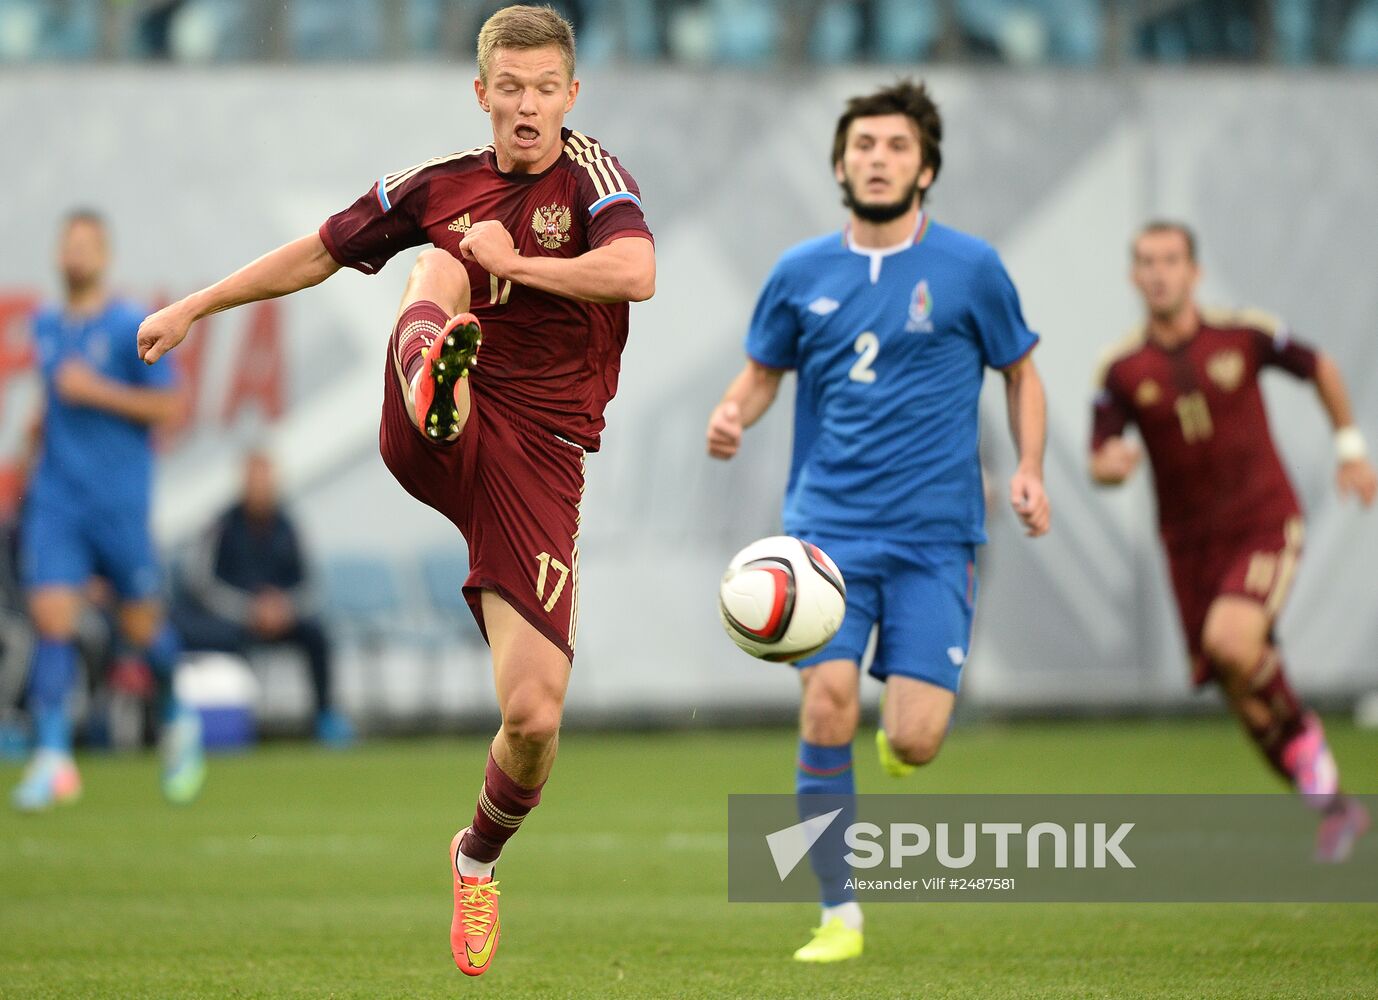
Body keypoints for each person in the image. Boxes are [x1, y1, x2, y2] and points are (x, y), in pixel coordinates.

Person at [134, 5, 654, 977]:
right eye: (511, 90)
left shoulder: (595, 177)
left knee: (534, 715)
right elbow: (321, 250)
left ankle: (475, 855)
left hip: (539, 460)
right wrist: (197, 303)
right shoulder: (440, 184)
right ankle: (434, 379)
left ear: (571, 95)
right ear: (482, 94)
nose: (529, 108)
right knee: (440, 255)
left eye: (546, 90)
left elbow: (637, 270)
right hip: (435, 427)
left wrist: (526, 264)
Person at [705, 79, 1051, 963]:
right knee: (825, 705)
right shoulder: (799, 273)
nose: (878, 158)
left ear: (926, 167)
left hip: (936, 536)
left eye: (896, 146)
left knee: (915, 739)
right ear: (838, 164)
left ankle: (904, 737)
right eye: (863, 145)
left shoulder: (971, 270)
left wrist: (1032, 471)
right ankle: (838, 916)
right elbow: (760, 371)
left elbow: (1022, 371)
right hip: (825, 536)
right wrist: (734, 412)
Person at [1090, 220, 1374, 862]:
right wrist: (1108, 467)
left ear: (1195, 271)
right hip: (1190, 551)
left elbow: (1319, 365)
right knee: (1242, 693)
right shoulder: (1120, 368)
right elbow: (1099, 452)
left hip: (1263, 521)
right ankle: (1336, 810)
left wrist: (1350, 448)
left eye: (1171, 260)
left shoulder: (1242, 335)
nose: (1159, 272)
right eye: (1147, 262)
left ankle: (1305, 731)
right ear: (1134, 277)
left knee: (1231, 641)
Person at [12, 209, 206, 812]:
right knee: (51, 618)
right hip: (57, 500)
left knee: (142, 630)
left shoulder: (129, 324)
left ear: (105, 256)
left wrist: (92, 390)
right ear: (57, 254)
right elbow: (58, 402)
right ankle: (52, 758)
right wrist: (37, 436)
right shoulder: (45, 325)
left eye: (87, 245)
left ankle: (177, 716)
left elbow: (170, 408)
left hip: (118, 503)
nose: (76, 254)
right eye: (68, 244)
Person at [173, 451, 354, 747]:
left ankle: (325, 716)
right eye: (254, 481)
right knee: (225, 641)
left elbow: (310, 582)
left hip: (282, 618)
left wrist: (285, 608)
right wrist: (250, 611)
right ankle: (243, 723)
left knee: (316, 635)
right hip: (237, 621)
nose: (261, 488)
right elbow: (203, 584)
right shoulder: (222, 525)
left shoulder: (288, 525)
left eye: (266, 481)